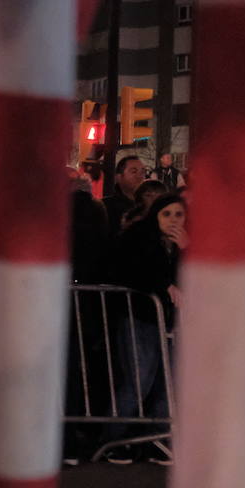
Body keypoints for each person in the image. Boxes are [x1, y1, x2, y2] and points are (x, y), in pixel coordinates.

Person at [104, 194, 186, 461]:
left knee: (169, 381)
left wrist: (186, 249)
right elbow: (129, 269)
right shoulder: (139, 237)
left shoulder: (183, 243)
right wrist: (162, 285)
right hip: (140, 318)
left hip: (173, 320)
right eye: (167, 214)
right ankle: (113, 438)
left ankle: (157, 438)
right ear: (155, 215)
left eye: (179, 214)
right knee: (139, 379)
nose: (173, 220)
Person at [104, 154, 147, 235]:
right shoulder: (106, 207)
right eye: (134, 172)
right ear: (119, 177)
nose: (140, 176)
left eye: (143, 172)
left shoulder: (150, 205)